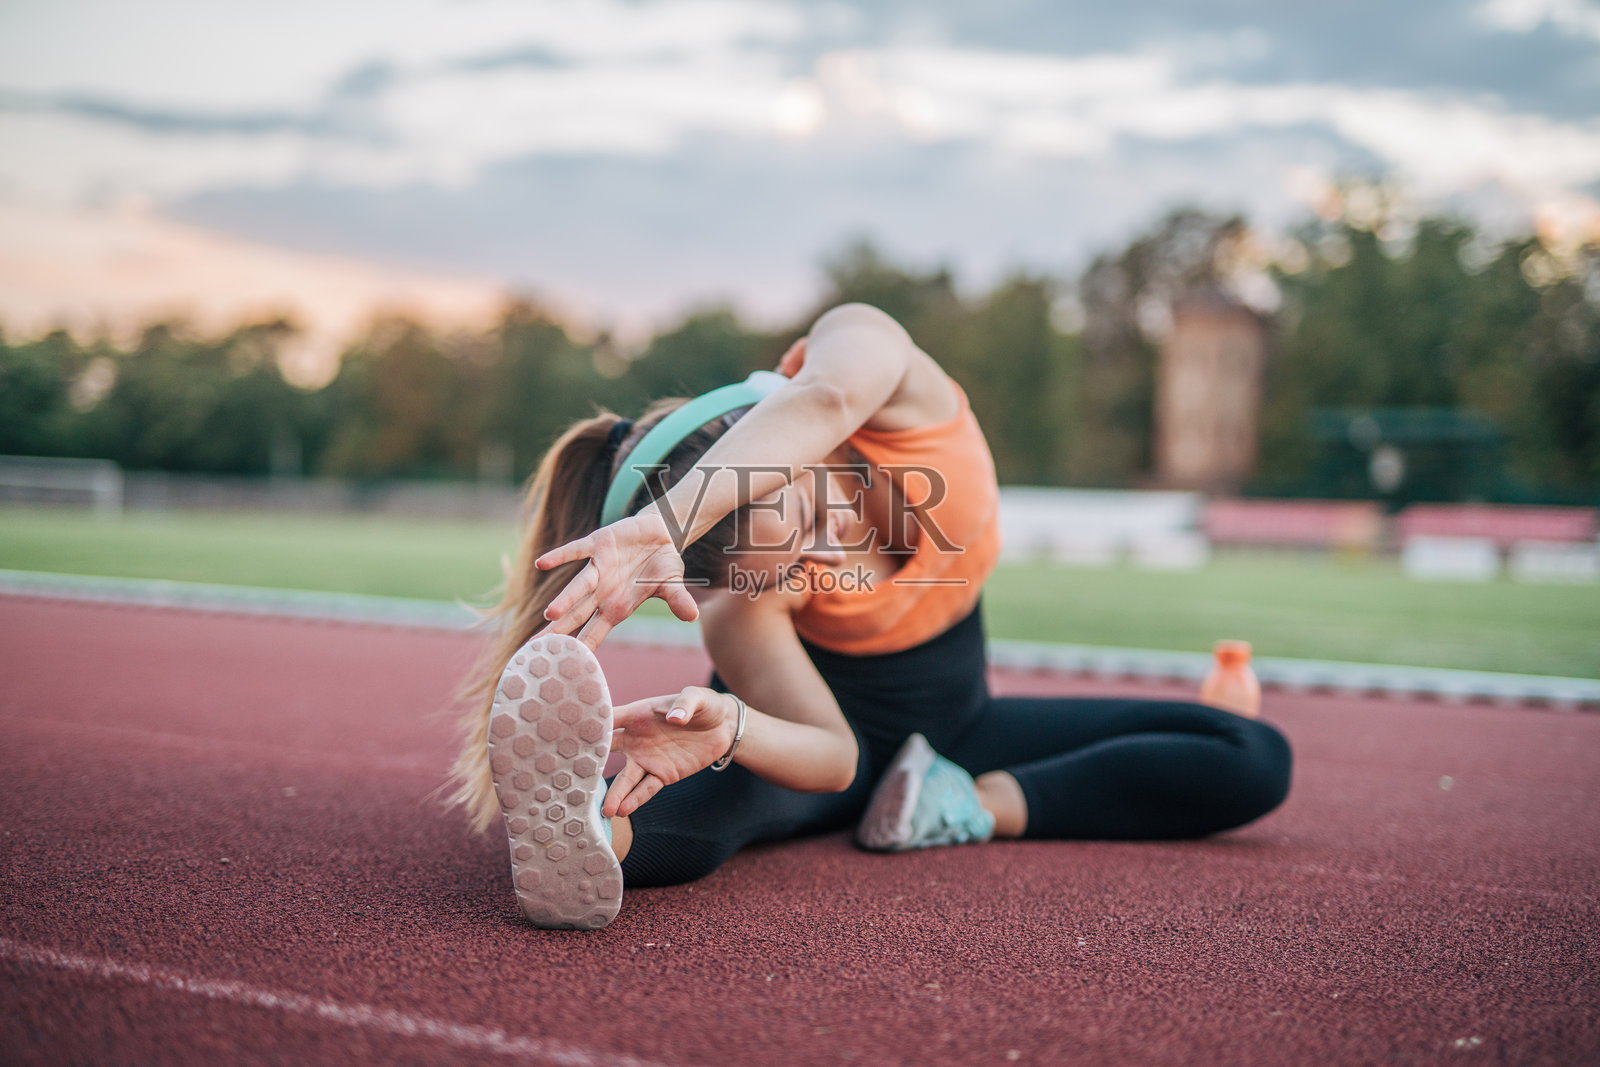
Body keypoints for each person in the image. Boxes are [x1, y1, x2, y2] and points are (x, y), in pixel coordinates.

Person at [447, 303, 1293, 930]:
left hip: (959, 738)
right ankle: (580, 831)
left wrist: (662, 525)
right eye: (787, 569)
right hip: (813, 743)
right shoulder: (740, 613)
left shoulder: (876, 371)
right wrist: (734, 726)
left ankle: (962, 805)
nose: (827, 554)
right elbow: (836, 759)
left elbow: (820, 398)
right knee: (701, 800)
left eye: (812, 509)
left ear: (779, 441)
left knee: (1250, 754)